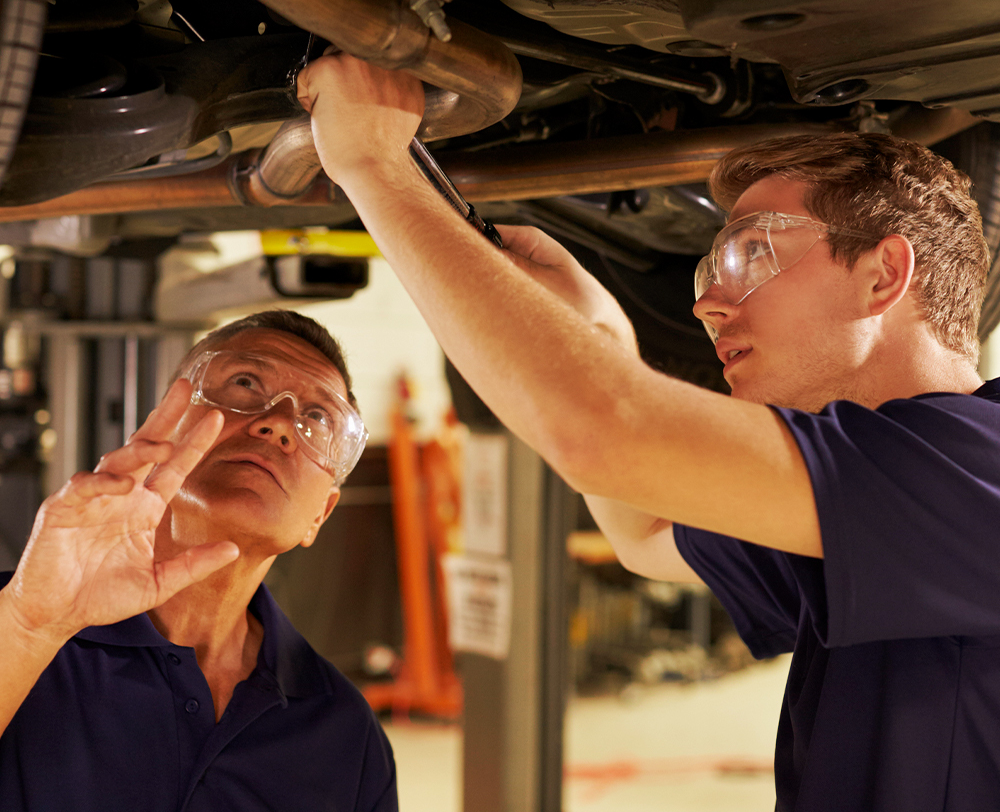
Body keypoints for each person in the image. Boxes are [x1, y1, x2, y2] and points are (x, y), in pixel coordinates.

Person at [297, 52, 1000, 811]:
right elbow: (646, 533)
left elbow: (604, 436)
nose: (708, 305)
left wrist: (373, 165)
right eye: (711, 271)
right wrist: (598, 330)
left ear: (882, 275)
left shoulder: (978, 474)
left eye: (748, 253)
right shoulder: (874, 505)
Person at [0, 309, 396, 812]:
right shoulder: (19, 624)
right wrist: (29, 624)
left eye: (317, 418)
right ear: (161, 429)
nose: (278, 423)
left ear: (320, 514)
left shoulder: (345, 735)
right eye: (245, 382)